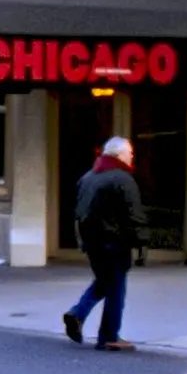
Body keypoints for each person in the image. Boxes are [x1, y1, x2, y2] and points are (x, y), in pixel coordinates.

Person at [64, 135, 145, 351]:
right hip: (115, 243)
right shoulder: (123, 179)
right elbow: (133, 215)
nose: (132, 156)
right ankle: (108, 335)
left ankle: (77, 314)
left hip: (93, 243)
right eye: (130, 153)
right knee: (116, 288)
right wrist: (142, 243)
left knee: (104, 282)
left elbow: (79, 212)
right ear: (119, 154)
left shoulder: (88, 177)